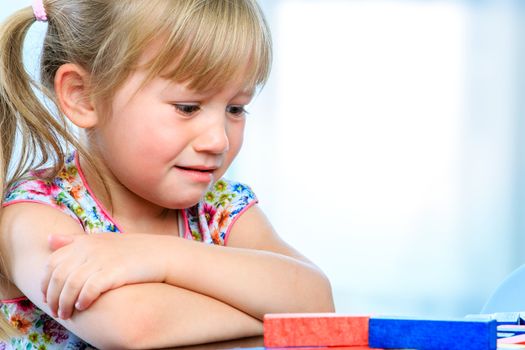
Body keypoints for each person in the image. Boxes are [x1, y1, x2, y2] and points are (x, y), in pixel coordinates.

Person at [0, 0, 334, 349]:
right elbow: (134, 325)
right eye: (187, 108)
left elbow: (317, 301)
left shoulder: (220, 209)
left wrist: (158, 257)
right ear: (85, 96)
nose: (218, 139)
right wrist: (269, 318)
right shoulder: (36, 214)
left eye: (235, 108)